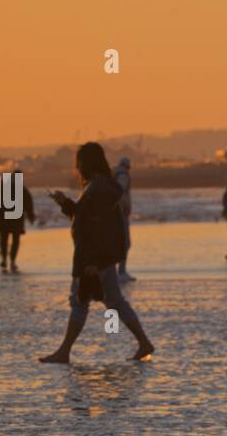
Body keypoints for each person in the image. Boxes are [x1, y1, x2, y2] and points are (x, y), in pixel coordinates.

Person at [40, 142, 154, 363]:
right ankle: (144, 343)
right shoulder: (101, 186)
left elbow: (93, 227)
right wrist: (66, 204)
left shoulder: (97, 188)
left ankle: (64, 351)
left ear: (85, 163)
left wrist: (90, 262)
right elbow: (85, 216)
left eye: (78, 163)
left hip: (91, 257)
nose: (76, 168)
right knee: (115, 302)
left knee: (79, 302)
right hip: (103, 257)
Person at [0, 177, 36, 272]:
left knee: (4, 239)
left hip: (4, 219)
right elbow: (28, 203)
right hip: (16, 220)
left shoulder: (4, 188)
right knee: (15, 240)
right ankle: (12, 261)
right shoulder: (22, 189)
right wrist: (31, 216)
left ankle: (4, 259)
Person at [114, 157, 136, 282]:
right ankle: (121, 272)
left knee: (117, 242)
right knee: (125, 242)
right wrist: (125, 207)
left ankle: (113, 272)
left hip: (115, 213)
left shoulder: (114, 173)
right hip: (121, 213)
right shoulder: (123, 175)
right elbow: (120, 192)